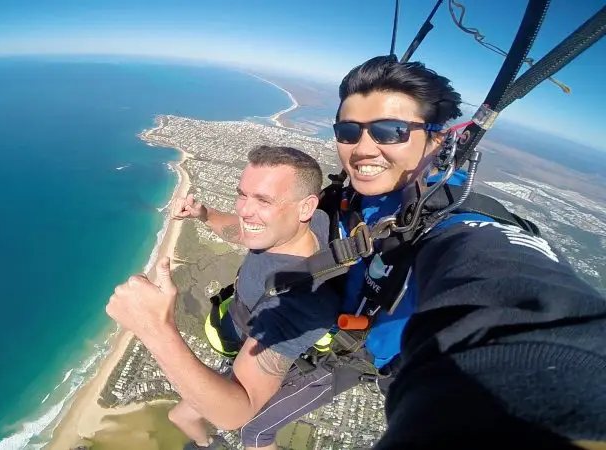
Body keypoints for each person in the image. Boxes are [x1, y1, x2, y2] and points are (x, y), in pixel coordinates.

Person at [108, 55, 606, 449]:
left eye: (391, 131)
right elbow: (264, 232)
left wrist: (154, 327)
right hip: (287, 337)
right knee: (187, 409)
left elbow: (528, 310)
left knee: (252, 431)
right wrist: (208, 218)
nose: (364, 147)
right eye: (349, 131)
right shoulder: (345, 198)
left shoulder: (462, 230)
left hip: (340, 360)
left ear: (437, 142)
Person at [108, 145, 345, 450]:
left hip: (285, 361)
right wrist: (203, 213)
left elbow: (237, 412)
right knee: (181, 416)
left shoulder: (298, 303)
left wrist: (153, 328)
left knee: (254, 436)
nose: (245, 210)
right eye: (242, 195)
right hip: (245, 341)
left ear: (305, 207)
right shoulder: (301, 225)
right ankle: (209, 445)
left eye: (263, 200)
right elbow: (241, 231)